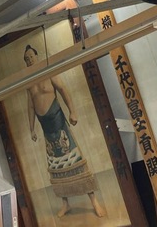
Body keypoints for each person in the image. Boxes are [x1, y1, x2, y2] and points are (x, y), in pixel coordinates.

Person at [24, 45, 105, 218]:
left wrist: (72, 111)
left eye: (31, 56)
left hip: (59, 123)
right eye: (27, 59)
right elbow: (30, 106)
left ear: (37, 56)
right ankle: (65, 203)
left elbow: (62, 90)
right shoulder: (28, 83)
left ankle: (93, 200)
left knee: (75, 159)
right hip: (46, 130)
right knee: (56, 166)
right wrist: (31, 128)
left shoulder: (48, 71)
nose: (30, 60)